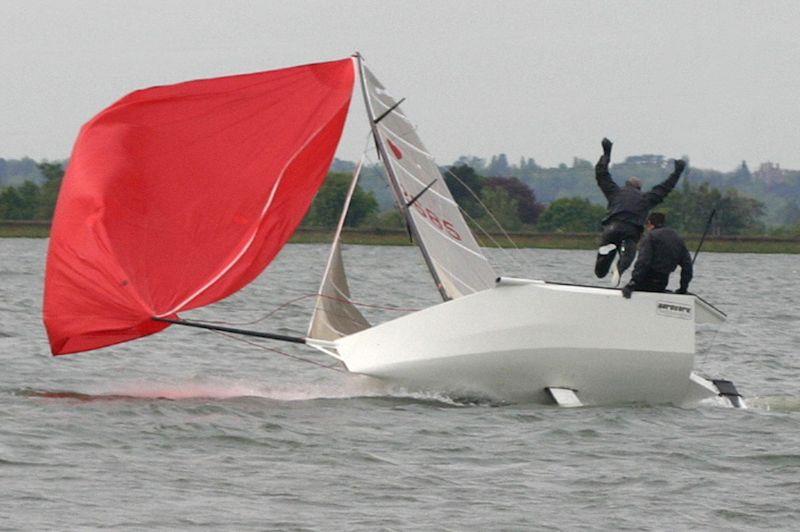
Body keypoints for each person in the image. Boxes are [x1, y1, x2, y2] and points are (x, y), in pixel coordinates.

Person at [594, 137, 686, 284]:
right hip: (630, 231)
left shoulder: (615, 192)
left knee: (599, 272)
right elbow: (664, 188)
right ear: (639, 188)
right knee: (629, 256)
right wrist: (677, 172)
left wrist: (606, 154)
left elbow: (602, 175)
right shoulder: (645, 199)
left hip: (611, 228)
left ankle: (606, 253)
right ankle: (620, 267)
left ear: (626, 185)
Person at [621, 212, 692, 298]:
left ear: (650, 223)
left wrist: (633, 283)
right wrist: (683, 288)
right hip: (662, 283)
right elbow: (687, 266)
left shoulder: (650, 237)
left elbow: (643, 262)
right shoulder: (677, 238)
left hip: (646, 282)